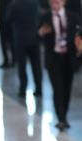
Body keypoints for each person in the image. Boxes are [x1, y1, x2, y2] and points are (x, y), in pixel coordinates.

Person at [38, 0, 81, 130]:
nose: (55, 4)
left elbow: (80, 34)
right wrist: (41, 33)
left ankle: (64, 115)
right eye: (53, 2)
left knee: (67, 89)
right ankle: (61, 118)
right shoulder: (45, 17)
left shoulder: (73, 16)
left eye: (57, 2)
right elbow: (38, 35)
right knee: (57, 89)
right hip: (53, 58)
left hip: (69, 58)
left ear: (63, 2)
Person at [6, 0, 42, 97]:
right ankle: (39, 89)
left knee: (22, 66)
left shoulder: (14, 4)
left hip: (20, 39)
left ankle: (23, 89)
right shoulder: (34, 2)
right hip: (34, 38)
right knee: (36, 65)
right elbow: (39, 17)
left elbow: (8, 20)